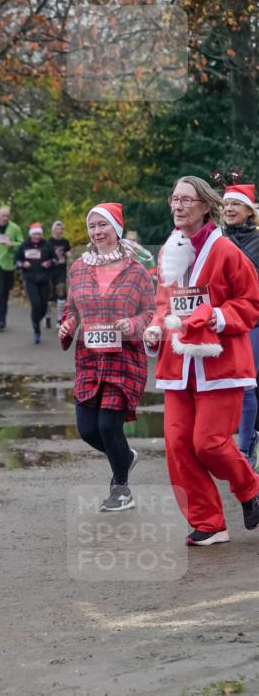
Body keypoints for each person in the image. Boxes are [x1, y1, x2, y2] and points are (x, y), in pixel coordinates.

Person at [143, 175, 259, 546]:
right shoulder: (169, 250)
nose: (178, 206)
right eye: (174, 199)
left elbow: (250, 303)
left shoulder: (226, 251)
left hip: (220, 364)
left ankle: (251, 489)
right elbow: (164, 303)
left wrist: (216, 316)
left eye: (186, 200)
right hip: (178, 366)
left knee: (208, 443)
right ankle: (208, 523)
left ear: (206, 206)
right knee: (178, 446)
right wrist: (155, 327)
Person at [59, 202, 155, 510]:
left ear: (116, 229)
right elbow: (71, 308)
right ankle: (124, 456)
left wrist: (133, 324)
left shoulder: (136, 271)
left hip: (124, 361)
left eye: (103, 225)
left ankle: (121, 490)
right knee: (88, 430)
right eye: (93, 226)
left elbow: (150, 312)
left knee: (108, 426)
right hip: (89, 360)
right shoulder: (78, 268)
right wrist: (68, 324)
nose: (97, 231)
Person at [220, 182, 259, 466]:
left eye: (235, 204)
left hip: (254, 319)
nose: (229, 209)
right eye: (225, 205)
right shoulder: (217, 238)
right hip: (221, 318)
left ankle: (245, 447)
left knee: (247, 381)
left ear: (248, 210)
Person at [15, 223, 56, 343]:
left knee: (43, 306)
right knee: (36, 304)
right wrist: (23, 264)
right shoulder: (24, 245)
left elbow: (55, 260)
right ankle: (36, 329)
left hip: (44, 279)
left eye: (39, 234)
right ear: (31, 235)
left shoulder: (47, 245)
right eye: (35, 234)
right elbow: (16, 262)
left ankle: (37, 321)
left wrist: (49, 263)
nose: (37, 236)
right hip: (30, 279)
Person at [47, 220, 71, 328]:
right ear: (53, 230)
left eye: (61, 228)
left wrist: (68, 254)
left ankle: (59, 319)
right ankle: (47, 316)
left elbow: (68, 252)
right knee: (49, 295)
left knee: (61, 293)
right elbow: (45, 255)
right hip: (50, 271)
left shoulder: (65, 242)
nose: (59, 230)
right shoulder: (49, 242)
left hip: (61, 270)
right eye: (57, 228)